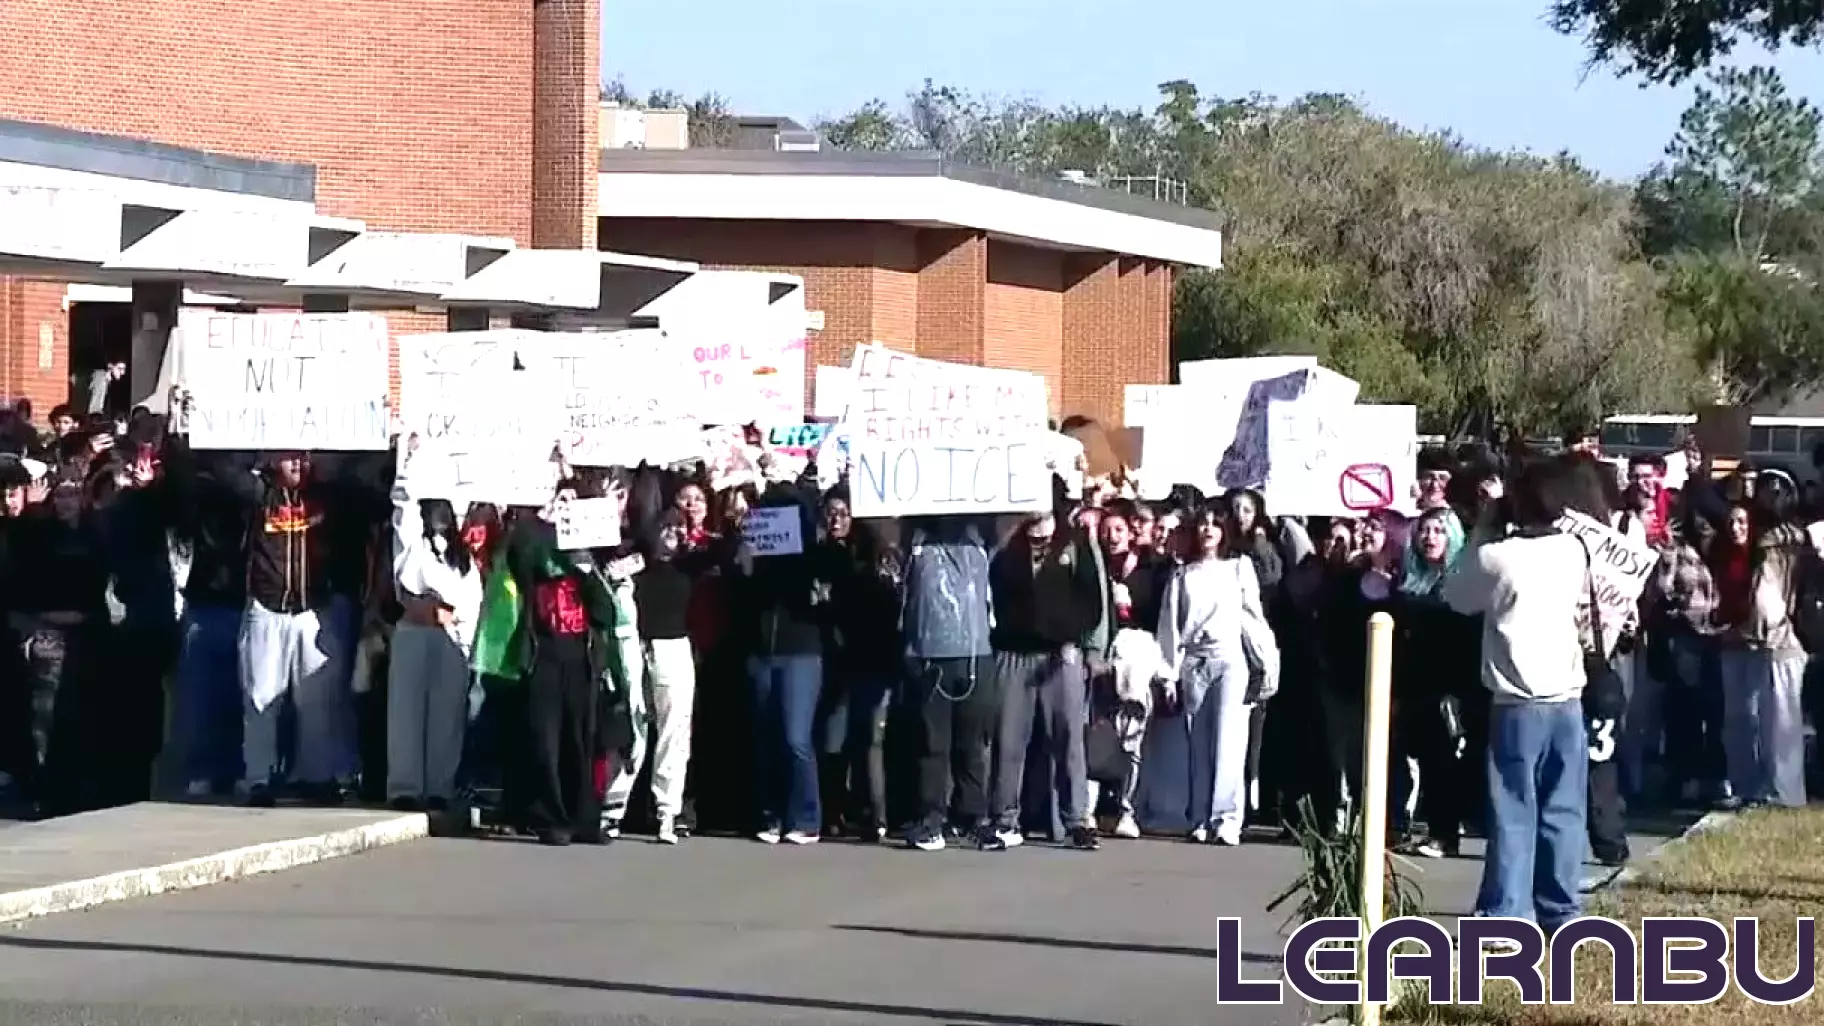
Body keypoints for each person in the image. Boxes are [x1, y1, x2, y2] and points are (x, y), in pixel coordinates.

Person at [1444, 458, 1589, 936]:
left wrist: (1485, 526)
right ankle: (1561, 907)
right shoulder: (1573, 549)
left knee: (1513, 808)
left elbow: (1457, 595)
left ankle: (1507, 909)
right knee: (1563, 809)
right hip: (1567, 698)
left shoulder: (1498, 556)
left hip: (1517, 700)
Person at [1155, 502, 1279, 845]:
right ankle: (1199, 817)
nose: (1208, 530)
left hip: (1230, 658)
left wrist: (1265, 663)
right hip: (1195, 661)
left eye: (1215, 524)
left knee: (1230, 739)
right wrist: (1168, 673)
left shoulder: (1238, 568)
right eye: (1203, 524)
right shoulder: (1182, 575)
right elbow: (1169, 628)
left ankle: (1226, 818)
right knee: (1198, 740)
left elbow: (1254, 617)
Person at [986, 503, 1105, 852]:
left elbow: (1090, 601)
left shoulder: (1073, 541)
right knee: (1009, 740)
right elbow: (994, 589)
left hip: (1060, 654)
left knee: (1069, 739)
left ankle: (1077, 821)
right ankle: (1004, 820)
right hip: (1014, 652)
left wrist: (1072, 639)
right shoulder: (1009, 545)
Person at [385, 439, 482, 812]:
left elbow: (471, 604)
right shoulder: (412, 545)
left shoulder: (463, 560)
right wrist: (407, 460)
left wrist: (453, 621)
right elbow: (402, 506)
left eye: (445, 510)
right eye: (432, 509)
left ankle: (440, 786)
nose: (438, 515)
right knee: (406, 712)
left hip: (451, 639)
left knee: (446, 716)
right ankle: (405, 787)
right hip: (413, 634)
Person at [899, 514, 999, 852]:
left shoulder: (982, 539)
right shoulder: (914, 542)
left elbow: (1019, 519)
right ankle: (931, 820)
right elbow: (880, 527)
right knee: (932, 744)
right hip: (929, 655)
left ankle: (972, 818)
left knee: (972, 744)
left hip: (974, 656)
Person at [632, 509, 698, 844]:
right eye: (665, 527)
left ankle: (668, 810)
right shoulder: (635, 562)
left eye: (678, 528)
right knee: (633, 725)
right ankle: (614, 807)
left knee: (674, 730)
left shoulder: (690, 564)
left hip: (673, 646)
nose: (671, 533)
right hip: (638, 646)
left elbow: (730, 553)